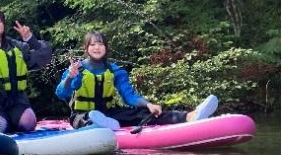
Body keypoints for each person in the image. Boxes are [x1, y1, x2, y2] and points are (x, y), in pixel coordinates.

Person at [55, 30, 218, 130]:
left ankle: (189, 116)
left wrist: (148, 104)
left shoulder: (115, 71)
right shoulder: (77, 69)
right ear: (86, 48)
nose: (97, 47)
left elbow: (129, 96)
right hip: (82, 115)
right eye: (92, 45)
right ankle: (102, 124)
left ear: (106, 48)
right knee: (89, 118)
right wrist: (70, 77)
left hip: (110, 113)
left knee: (145, 113)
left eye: (100, 44)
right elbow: (61, 93)